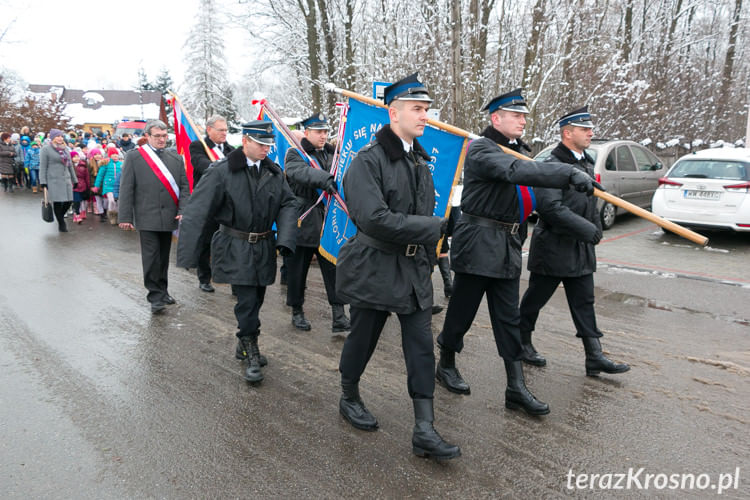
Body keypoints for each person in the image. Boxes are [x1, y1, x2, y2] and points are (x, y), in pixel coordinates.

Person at [435, 89, 597, 416]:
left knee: (508, 318)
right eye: (516, 115)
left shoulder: (516, 150)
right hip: (479, 243)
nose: (524, 120)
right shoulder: (482, 149)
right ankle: (446, 363)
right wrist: (566, 173)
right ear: (496, 118)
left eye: (524, 115)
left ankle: (515, 387)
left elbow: (529, 181)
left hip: (508, 245)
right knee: (462, 311)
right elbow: (515, 173)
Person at [335, 74, 460, 461]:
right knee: (363, 337)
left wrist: (432, 257)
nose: (426, 116)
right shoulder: (367, 162)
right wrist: (436, 227)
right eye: (417, 109)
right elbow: (374, 218)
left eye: (427, 109)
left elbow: (421, 214)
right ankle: (349, 393)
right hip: (375, 266)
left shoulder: (420, 161)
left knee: (422, 348)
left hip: (411, 271)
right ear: (394, 112)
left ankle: (424, 428)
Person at [177, 120, 297, 384]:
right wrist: (189, 254)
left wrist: (285, 239)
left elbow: (288, 203)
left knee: (257, 298)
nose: (266, 149)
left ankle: (244, 339)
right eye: (261, 144)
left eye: (268, 145)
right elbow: (198, 209)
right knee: (246, 302)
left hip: (263, 246)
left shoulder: (273, 172)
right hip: (235, 245)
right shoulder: (221, 171)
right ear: (245, 141)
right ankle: (251, 348)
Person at [519, 106, 630, 376]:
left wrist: (591, 226)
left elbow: (586, 203)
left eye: (590, 128)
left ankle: (594, 356)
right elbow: (551, 208)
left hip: (579, 248)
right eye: (584, 129)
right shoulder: (552, 165)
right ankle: (521, 342)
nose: (591, 132)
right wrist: (587, 229)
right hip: (554, 248)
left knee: (584, 301)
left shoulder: (586, 162)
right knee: (535, 300)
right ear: (567, 133)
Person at [284, 113, 350, 333]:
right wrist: (325, 180)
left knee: (333, 269)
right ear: (307, 132)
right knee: (297, 270)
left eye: (325, 131)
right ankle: (297, 311)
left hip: (328, 220)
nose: (323, 136)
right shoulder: (296, 153)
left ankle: (339, 315)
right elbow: (299, 173)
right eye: (318, 132)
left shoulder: (332, 154)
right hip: (303, 219)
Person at [118, 120, 190, 314]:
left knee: (164, 257)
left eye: (164, 136)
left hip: (169, 216)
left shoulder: (175, 157)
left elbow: (184, 186)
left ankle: (163, 290)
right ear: (147, 137)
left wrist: (183, 209)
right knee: (151, 258)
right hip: (146, 215)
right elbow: (126, 188)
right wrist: (124, 216)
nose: (161, 139)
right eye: (157, 136)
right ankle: (155, 296)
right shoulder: (135, 157)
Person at [187, 115, 235, 293]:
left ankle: (230, 277)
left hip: (227, 202)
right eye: (220, 130)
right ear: (209, 130)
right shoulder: (198, 146)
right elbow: (202, 165)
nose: (224, 133)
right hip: (206, 203)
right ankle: (204, 277)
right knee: (205, 241)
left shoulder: (230, 149)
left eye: (226, 130)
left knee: (229, 240)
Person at [39, 129, 77, 232]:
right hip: (54, 179)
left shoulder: (65, 149)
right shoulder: (46, 149)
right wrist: (43, 181)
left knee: (69, 201)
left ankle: (59, 216)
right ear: (52, 138)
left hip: (66, 179)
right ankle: (61, 223)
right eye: (57, 136)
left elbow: (70, 166)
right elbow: (43, 166)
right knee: (57, 202)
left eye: (61, 136)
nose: (60, 138)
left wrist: (75, 179)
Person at [94, 148, 123, 225]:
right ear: (110, 155)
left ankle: (116, 215)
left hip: (118, 186)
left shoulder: (121, 164)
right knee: (111, 200)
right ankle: (111, 215)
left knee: (117, 202)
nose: (115, 156)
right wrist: (96, 186)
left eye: (116, 154)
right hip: (108, 186)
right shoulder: (106, 164)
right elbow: (100, 175)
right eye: (113, 154)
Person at [71, 151, 91, 223]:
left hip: (82, 185)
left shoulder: (83, 165)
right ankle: (76, 214)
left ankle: (81, 212)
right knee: (76, 201)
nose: (76, 158)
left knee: (82, 200)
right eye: (74, 157)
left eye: (77, 156)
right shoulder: (69, 166)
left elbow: (87, 176)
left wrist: (88, 186)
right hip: (73, 185)